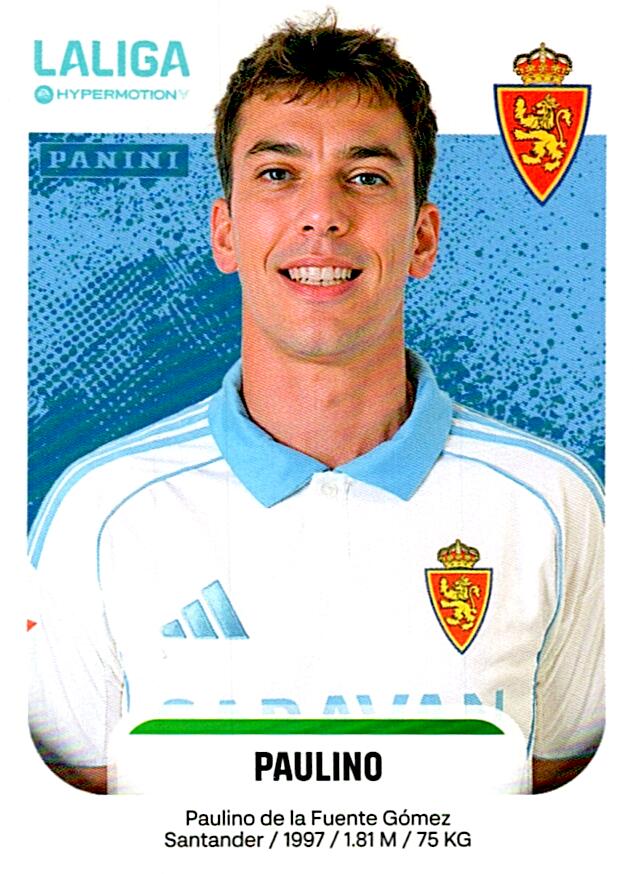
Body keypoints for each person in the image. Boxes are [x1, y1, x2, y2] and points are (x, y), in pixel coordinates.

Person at [28, 11, 604, 795]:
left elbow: (573, 808)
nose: (322, 214)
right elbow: (70, 821)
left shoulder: (554, 503)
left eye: (365, 177)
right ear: (225, 233)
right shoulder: (100, 511)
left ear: (422, 238)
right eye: (277, 173)